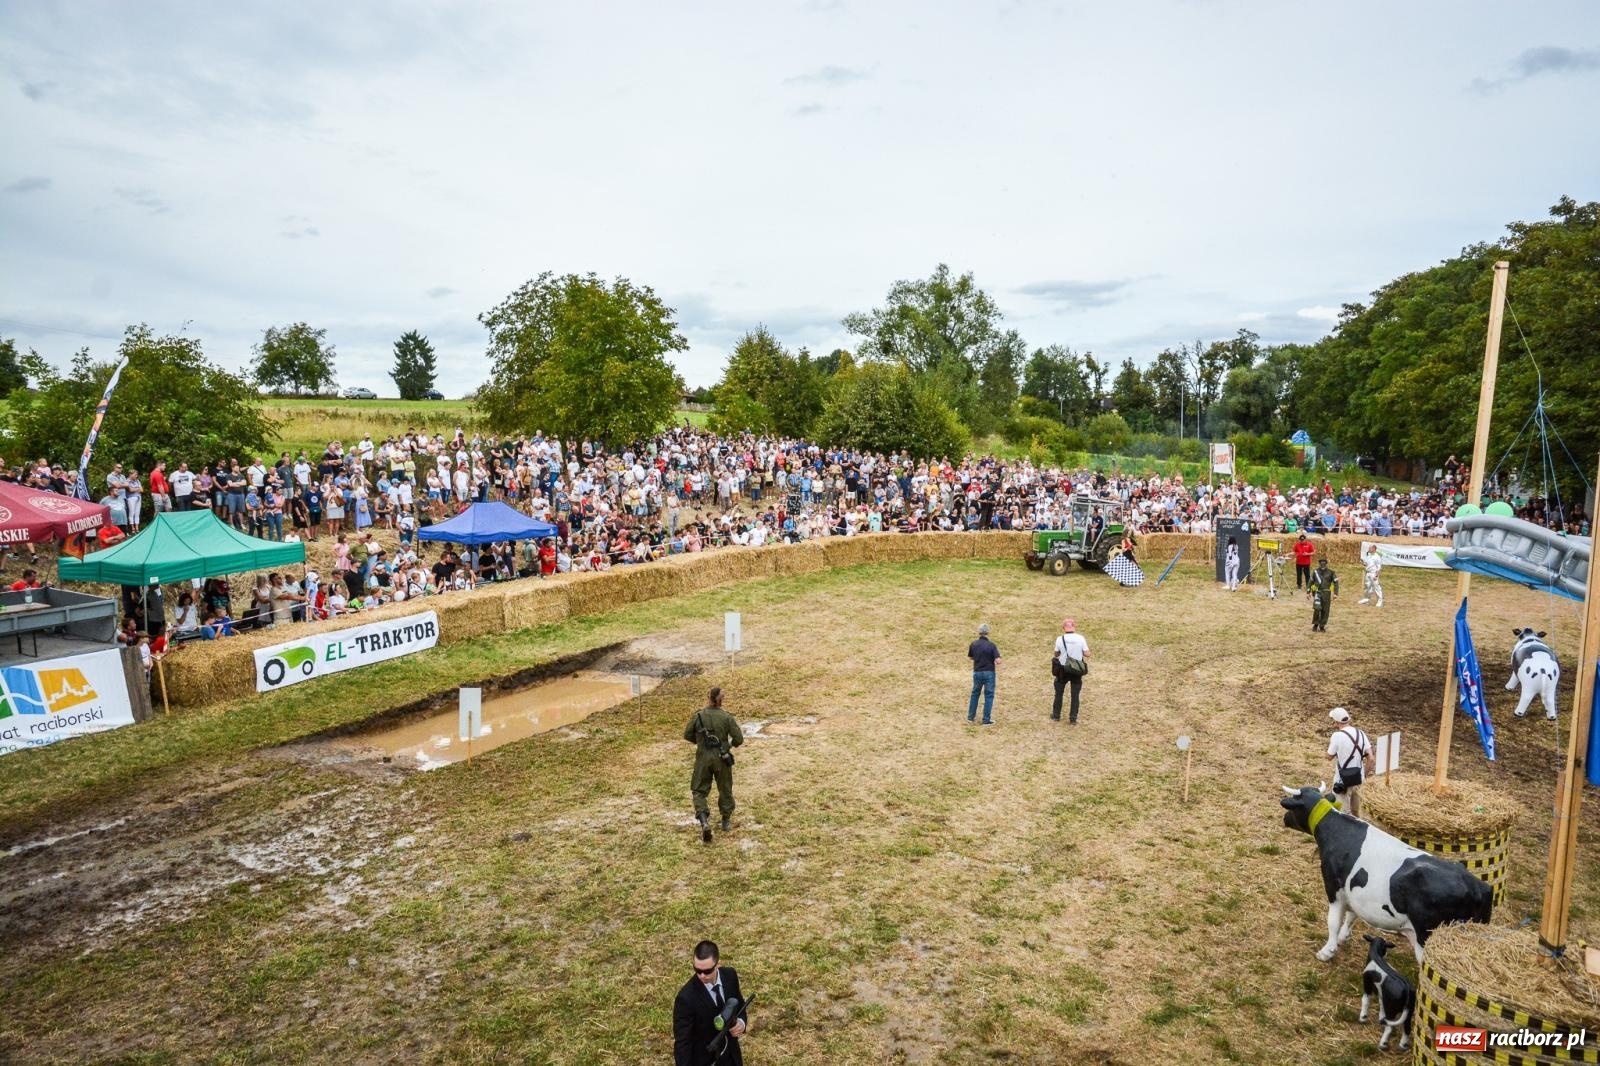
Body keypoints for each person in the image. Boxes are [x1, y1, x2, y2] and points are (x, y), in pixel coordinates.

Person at [672, 940, 749, 1066]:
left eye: (707, 971)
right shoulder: (685, 999)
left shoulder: (730, 975)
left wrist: (741, 1022)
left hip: (731, 1056)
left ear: (718, 964)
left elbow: (739, 1004)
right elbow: (682, 1043)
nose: (702, 975)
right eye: (697, 970)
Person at [684, 686, 744, 842]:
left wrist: (701, 744)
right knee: (725, 788)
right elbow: (739, 739)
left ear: (708, 698)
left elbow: (687, 734)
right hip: (721, 758)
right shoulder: (726, 717)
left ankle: (704, 821)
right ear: (720, 700)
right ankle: (725, 821)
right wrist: (727, 746)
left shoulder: (698, 716)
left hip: (703, 758)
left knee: (698, 790)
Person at [1326, 707, 1373, 819]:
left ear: (1336, 722)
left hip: (1342, 781)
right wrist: (1364, 775)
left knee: (1343, 815)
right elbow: (1371, 758)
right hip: (1359, 779)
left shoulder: (1337, 736)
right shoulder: (1361, 733)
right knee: (1357, 813)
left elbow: (1329, 756)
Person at [1051, 617, 1090, 724]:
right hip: (1076, 670)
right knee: (1075, 694)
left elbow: (1056, 653)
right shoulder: (1081, 638)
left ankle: (1056, 715)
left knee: (1059, 693)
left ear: (1064, 628)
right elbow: (1087, 653)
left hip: (1063, 669)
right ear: (1074, 626)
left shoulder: (1060, 639)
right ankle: (1073, 718)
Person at [967, 622, 1000, 725]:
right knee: (989, 696)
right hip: (989, 672)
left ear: (979, 632)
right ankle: (986, 719)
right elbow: (998, 660)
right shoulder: (991, 645)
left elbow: (971, 657)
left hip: (977, 672)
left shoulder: (974, 644)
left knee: (975, 694)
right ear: (988, 633)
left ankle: (970, 717)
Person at [1309, 557, 1339, 632]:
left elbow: (1336, 582)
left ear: (1326, 564)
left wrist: (1335, 593)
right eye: (1321, 563)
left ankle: (1322, 625)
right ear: (1319, 563)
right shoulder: (1315, 572)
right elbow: (1310, 582)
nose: (1322, 564)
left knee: (1325, 610)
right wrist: (1308, 591)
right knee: (1317, 609)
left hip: (1326, 593)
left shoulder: (1331, 572)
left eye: (1324, 563)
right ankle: (1315, 624)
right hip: (1317, 592)